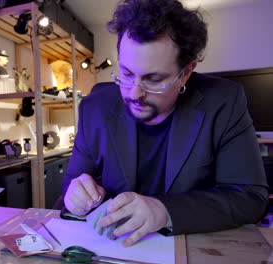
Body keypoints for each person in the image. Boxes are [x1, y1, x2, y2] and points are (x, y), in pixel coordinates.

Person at [62, 0, 268, 247]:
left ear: (186, 72)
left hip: (191, 248)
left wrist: (165, 211)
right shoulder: (94, 107)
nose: (134, 94)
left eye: (154, 79)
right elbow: (72, 184)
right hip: (115, 247)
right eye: (127, 73)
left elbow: (250, 198)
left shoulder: (224, 102)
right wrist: (78, 196)